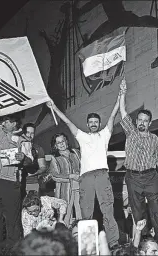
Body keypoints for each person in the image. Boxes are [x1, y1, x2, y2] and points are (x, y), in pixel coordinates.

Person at [48, 85, 121, 248]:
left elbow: (113, 114)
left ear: (99, 123)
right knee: (86, 211)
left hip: (102, 175)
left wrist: (120, 96)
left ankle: (114, 243)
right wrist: (54, 107)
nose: (94, 124)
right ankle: (88, 245)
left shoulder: (104, 135)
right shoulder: (81, 136)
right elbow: (67, 121)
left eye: (96, 122)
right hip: (86, 177)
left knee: (107, 210)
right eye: (91, 122)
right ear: (88, 124)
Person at [119, 79, 158, 244]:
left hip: (151, 178)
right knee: (138, 211)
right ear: (136, 122)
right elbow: (122, 111)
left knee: (157, 211)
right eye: (139, 120)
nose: (141, 122)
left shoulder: (154, 139)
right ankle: (145, 241)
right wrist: (122, 93)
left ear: (150, 123)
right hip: (133, 178)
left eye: (145, 121)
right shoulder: (130, 133)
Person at [0, 113, 25, 252]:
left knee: (12, 220)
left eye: (7, 121)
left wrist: (23, 157)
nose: (3, 123)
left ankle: (14, 251)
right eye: (4, 121)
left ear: (15, 123)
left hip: (8, 181)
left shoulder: (23, 138)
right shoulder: (0, 131)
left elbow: (30, 159)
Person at [46, 133, 81, 225]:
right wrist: (71, 176)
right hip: (64, 189)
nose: (61, 144)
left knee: (80, 211)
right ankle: (65, 234)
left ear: (67, 142)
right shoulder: (55, 158)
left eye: (63, 141)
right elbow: (55, 176)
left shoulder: (76, 153)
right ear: (55, 145)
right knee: (66, 213)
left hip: (80, 187)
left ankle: (80, 233)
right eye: (58, 143)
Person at [18, 123, 47, 199]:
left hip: (32, 182)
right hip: (16, 183)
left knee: (33, 206)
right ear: (23, 133)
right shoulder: (15, 146)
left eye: (32, 133)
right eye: (27, 132)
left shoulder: (38, 148)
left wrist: (34, 173)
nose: (29, 135)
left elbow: (43, 167)